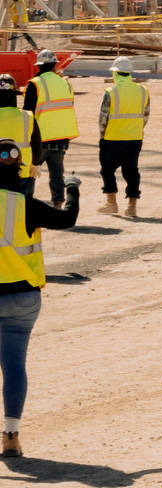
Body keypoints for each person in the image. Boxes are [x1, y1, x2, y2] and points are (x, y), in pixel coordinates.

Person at [0, 135, 78, 459]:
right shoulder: (25, 207)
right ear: (19, 170)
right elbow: (68, 218)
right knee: (14, 364)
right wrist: (72, 188)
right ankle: (10, 435)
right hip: (22, 298)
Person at [95, 58, 150, 217]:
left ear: (116, 73)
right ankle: (132, 206)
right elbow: (145, 115)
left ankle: (111, 203)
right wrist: (136, 130)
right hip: (134, 139)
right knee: (132, 171)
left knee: (107, 171)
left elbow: (102, 118)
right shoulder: (143, 91)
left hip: (112, 138)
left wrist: (102, 135)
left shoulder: (110, 92)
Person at [27, 49, 77, 207]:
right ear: (55, 65)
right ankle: (58, 204)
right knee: (57, 172)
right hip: (61, 136)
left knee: (31, 172)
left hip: (39, 137)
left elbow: (27, 112)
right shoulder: (65, 83)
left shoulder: (35, 84)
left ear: (39, 66)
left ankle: (27, 204)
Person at [0, 79, 30, 186]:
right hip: (23, 171)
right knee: (24, 202)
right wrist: (36, 163)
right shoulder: (28, 116)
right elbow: (36, 143)